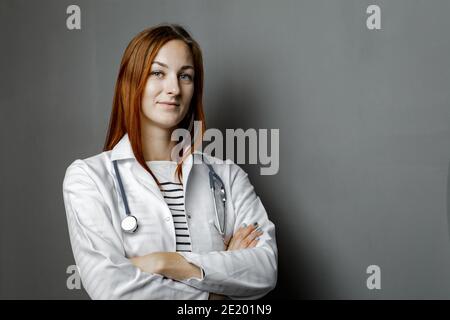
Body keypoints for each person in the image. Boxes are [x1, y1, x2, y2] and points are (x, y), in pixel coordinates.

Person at [62, 24, 278, 300]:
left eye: (185, 76)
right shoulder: (88, 178)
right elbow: (111, 288)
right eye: (158, 73)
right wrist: (216, 292)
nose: (174, 88)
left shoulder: (228, 176)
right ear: (131, 80)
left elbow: (264, 269)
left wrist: (166, 263)